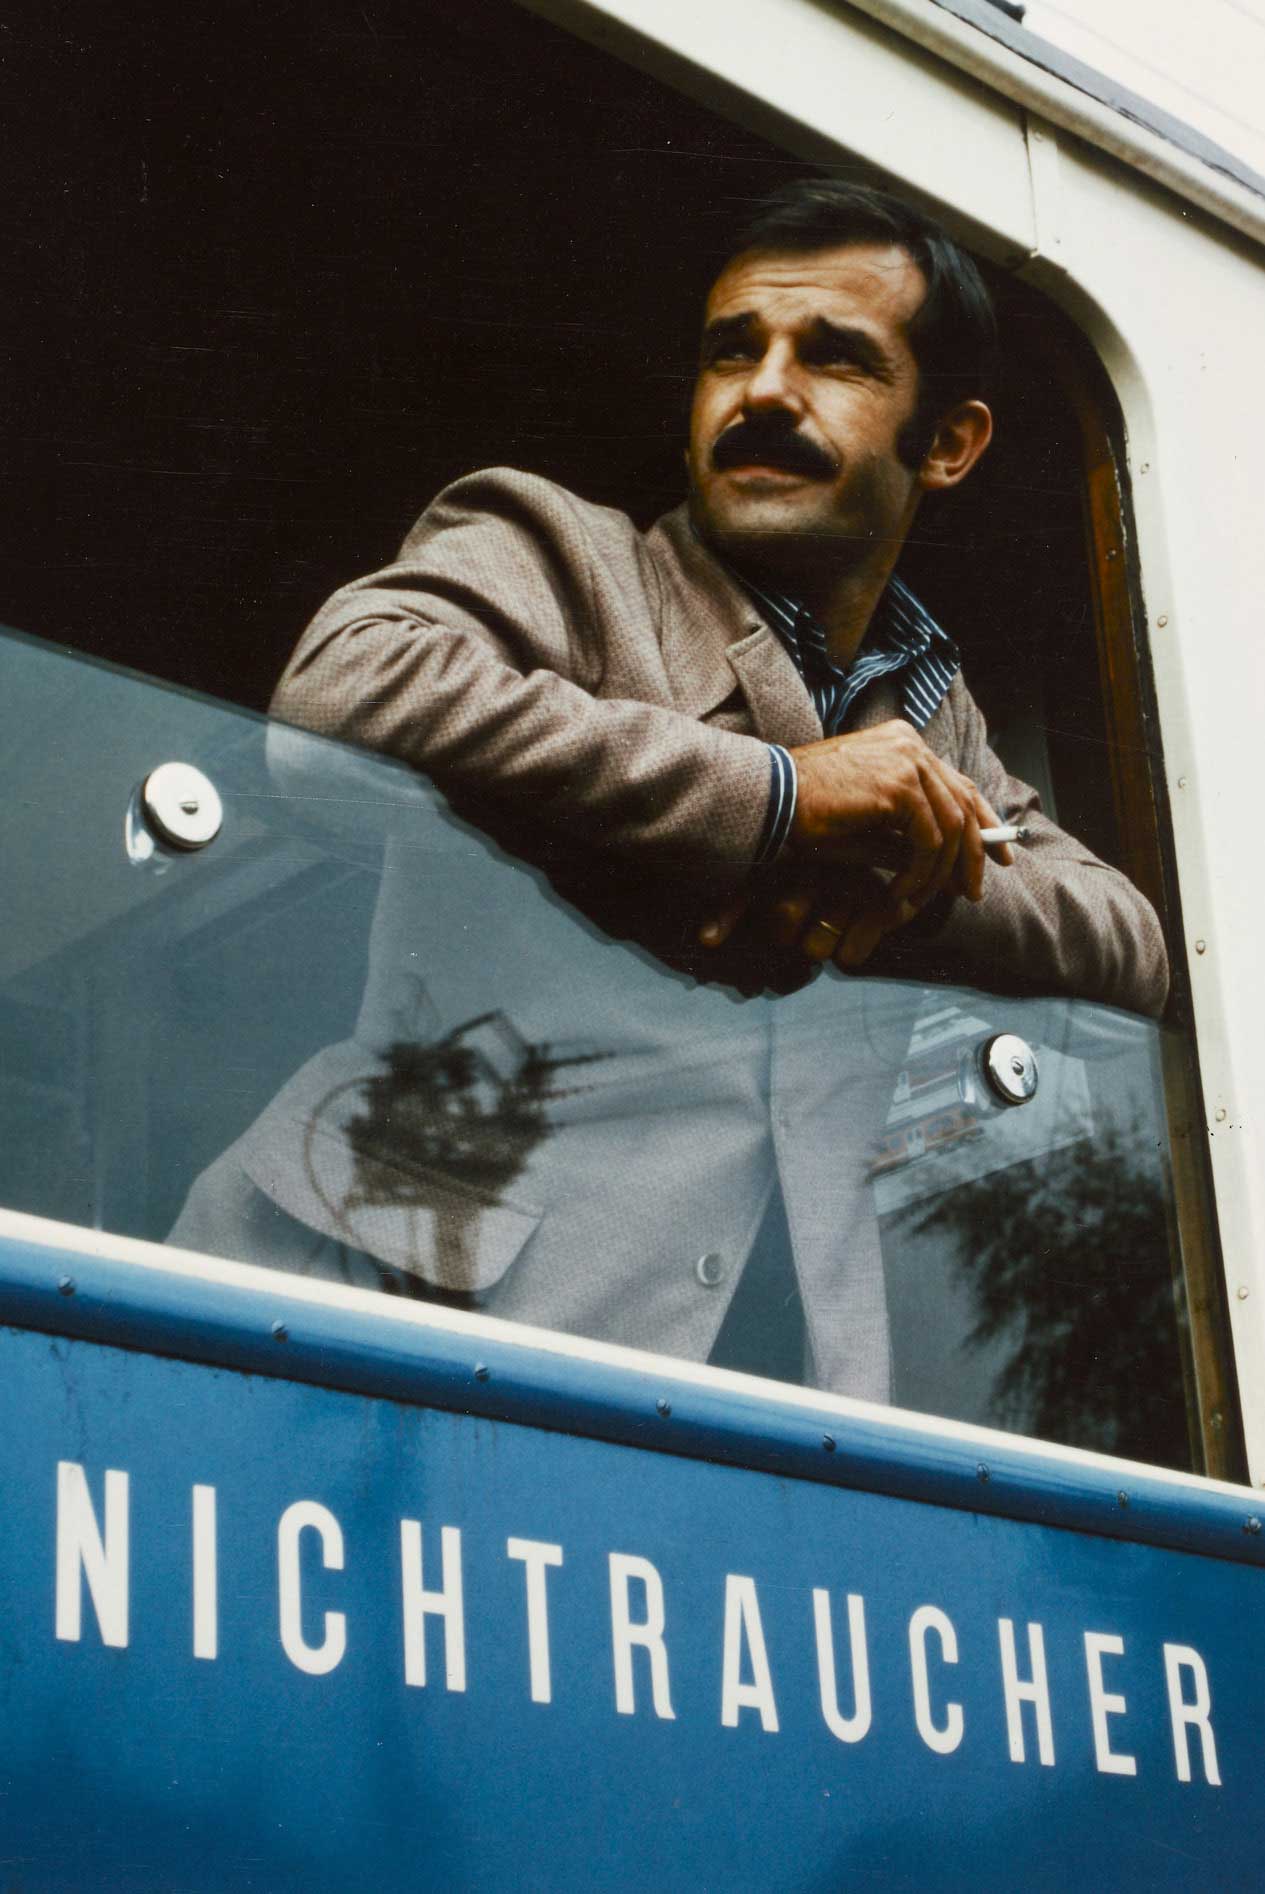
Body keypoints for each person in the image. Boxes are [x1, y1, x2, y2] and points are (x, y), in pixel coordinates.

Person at [169, 179, 1167, 1398]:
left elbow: (1126, 941)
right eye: (730, 352)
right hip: (373, 1318)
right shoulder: (557, 549)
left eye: (835, 358)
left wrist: (894, 870)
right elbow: (340, 692)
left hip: (765, 1373)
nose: (762, 393)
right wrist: (778, 799)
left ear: (947, 443)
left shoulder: (929, 709)